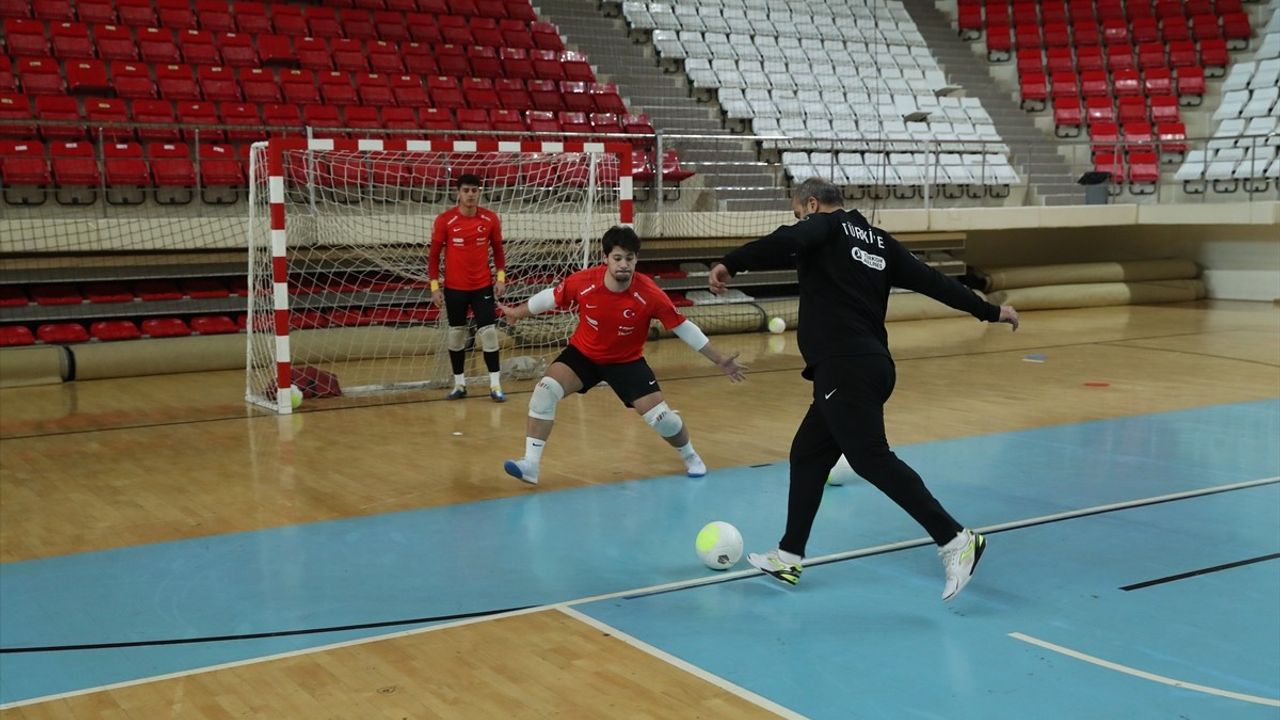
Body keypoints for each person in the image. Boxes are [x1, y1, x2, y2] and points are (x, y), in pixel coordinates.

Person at [709, 178, 1019, 602]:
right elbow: (934, 282)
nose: (800, 222)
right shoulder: (878, 240)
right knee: (808, 454)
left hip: (845, 366)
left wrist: (732, 264)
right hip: (868, 364)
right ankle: (788, 555)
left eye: (799, 213)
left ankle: (955, 539)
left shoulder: (827, 225)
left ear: (812, 204)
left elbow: (788, 239)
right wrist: (989, 311)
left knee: (870, 458)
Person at [498, 225, 747, 486]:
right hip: (584, 355)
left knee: (663, 420)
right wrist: (517, 313)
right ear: (606, 258)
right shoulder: (584, 282)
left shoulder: (649, 293)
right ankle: (531, 465)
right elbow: (551, 298)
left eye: (630, 258)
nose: (624, 264)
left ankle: (690, 455)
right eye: (617, 258)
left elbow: (683, 327)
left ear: (636, 260)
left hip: (626, 362)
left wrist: (719, 358)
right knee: (544, 392)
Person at [429, 173, 508, 402]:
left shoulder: (490, 219)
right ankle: (459, 384)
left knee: (490, 334)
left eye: (474, 190)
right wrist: (435, 287)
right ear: (458, 193)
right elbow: (433, 257)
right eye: (466, 190)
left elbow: (499, 252)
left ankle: (495, 385)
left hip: (482, 286)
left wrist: (500, 278)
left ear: (479, 192)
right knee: (456, 336)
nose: (470, 194)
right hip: (454, 289)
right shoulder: (445, 221)